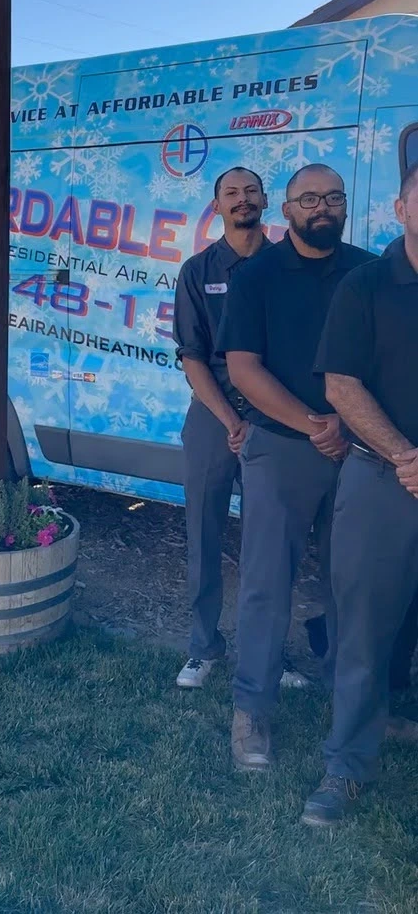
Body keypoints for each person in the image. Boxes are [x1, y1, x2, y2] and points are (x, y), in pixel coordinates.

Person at [217, 164, 374, 771]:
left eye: (333, 198)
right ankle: (251, 709)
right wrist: (318, 423)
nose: (322, 208)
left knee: (356, 583)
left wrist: (353, 427)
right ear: (287, 210)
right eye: (309, 199)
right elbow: (243, 367)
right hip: (284, 446)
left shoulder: (369, 272)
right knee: (266, 583)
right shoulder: (256, 276)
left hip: (362, 451)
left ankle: (356, 703)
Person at [302, 162, 418, 826]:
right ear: (399, 211)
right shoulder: (366, 285)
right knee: (362, 634)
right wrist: (404, 457)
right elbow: (340, 386)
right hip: (382, 483)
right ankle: (345, 765)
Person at [173, 167, 306, 691]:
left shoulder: (288, 268)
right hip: (213, 415)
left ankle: (272, 652)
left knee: (269, 544)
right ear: (217, 205)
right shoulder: (197, 270)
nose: (242, 199)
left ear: (266, 202)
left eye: (251, 191)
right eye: (231, 192)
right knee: (203, 534)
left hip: (274, 417)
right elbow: (193, 356)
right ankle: (203, 647)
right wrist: (231, 421)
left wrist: (264, 417)